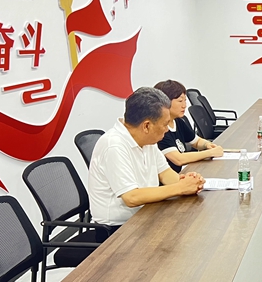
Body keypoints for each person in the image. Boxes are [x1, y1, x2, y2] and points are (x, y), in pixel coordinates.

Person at [88, 87, 205, 231]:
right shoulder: (113, 145)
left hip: (147, 213)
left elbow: (165, 173)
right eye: (164, 124)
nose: (167, 129)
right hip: (117, 229)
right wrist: (180, 188)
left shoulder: (148, 139)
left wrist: (188, 183)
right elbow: (132, 197)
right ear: (147, 126)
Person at [153, 79, 223, 172]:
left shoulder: (178, 121)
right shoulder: (160, 129)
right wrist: (210, 153)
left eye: (185, 100)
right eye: (180, 101)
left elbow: (196, 142)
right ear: (165, 102)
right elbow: (178, 159)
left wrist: (208, 145)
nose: (184, 105)